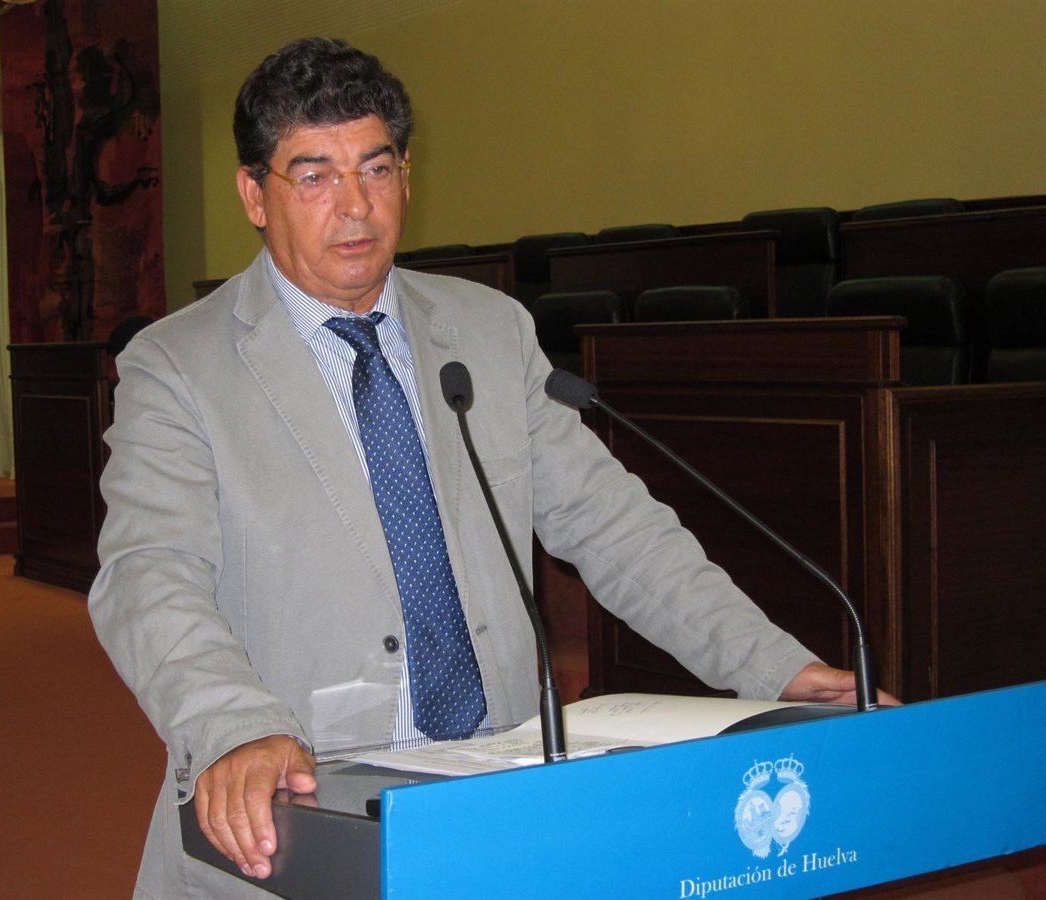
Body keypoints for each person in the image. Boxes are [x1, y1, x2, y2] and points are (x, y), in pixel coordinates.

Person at [88, 36, 896, 899]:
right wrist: (233, 725)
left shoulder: (488, 330)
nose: (355, 206)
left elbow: (616, 528)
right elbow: (148, 574)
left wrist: (775, 670)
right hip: (300, 808)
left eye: (377, 168)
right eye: (314, 176)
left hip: (499, 799)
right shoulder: (177, 367)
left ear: (407, 176)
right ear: (255, 194)